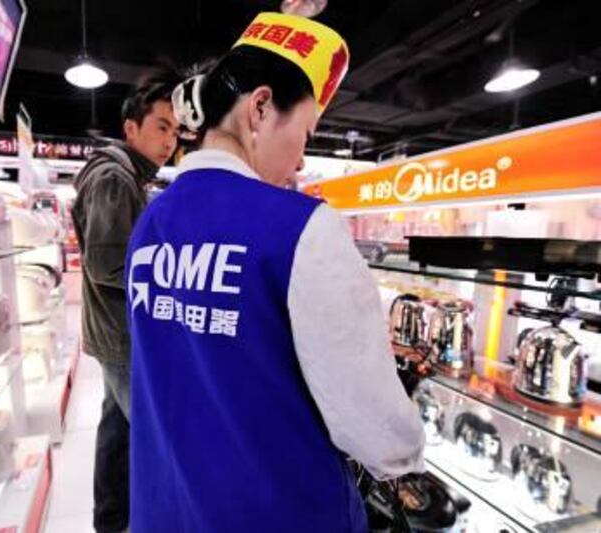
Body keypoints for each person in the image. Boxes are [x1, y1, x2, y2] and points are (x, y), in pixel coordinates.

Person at [126, 12, 425, 532]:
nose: (303, 161)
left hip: (169, 505)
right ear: (261, 108)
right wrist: (406, 457)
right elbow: (374, 427)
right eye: (306, 133)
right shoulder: (301, 228)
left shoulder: (151, 220)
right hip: (280, 508)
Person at [71, 70, 180, 533]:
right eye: (161, 126)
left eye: (176, 131)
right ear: (131, 128)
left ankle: (112, 520)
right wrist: (169, 277)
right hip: (121, 335)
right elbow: (105, 265)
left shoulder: (124, 176)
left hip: (112, 330)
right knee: (154, 437)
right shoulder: (116, 178)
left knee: (116, 431)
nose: (170, 140)